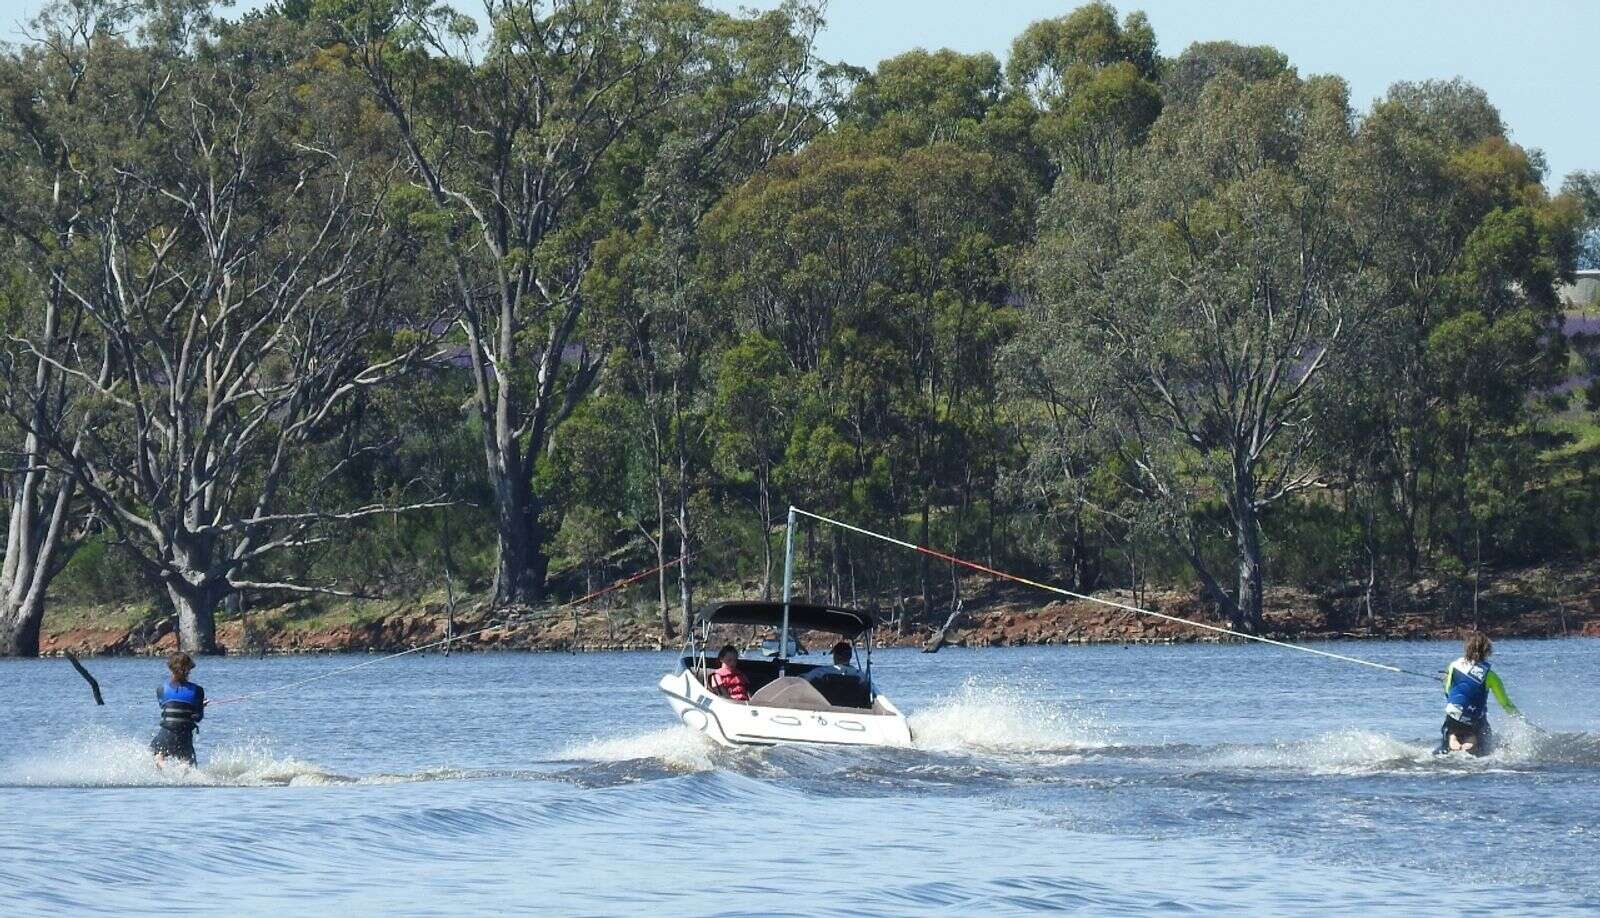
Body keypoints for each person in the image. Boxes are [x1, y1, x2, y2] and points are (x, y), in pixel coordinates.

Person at [1438, 632, 1518, 756]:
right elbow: (1505, 703)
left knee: (1453, 725)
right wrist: (1519, 718)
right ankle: (1471, 742)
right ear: (1487, 652)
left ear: (1466, 649)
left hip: (1454, 715)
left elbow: (1448, 691)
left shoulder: (1453, 666)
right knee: (1484, 740)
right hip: (1474, 719)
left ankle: (1452, 736)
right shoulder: (1491, 676)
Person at [151, 651, 206, 766]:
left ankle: (160, 760)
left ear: (170, 668)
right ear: (189, 669)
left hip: (166, 735)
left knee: (156, 750)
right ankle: (185, 767)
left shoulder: (161, 689)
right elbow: (198, 717)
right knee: (188, 764)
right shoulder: (198, 690)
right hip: (184, 736)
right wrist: (199, 706)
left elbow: (167, 706)